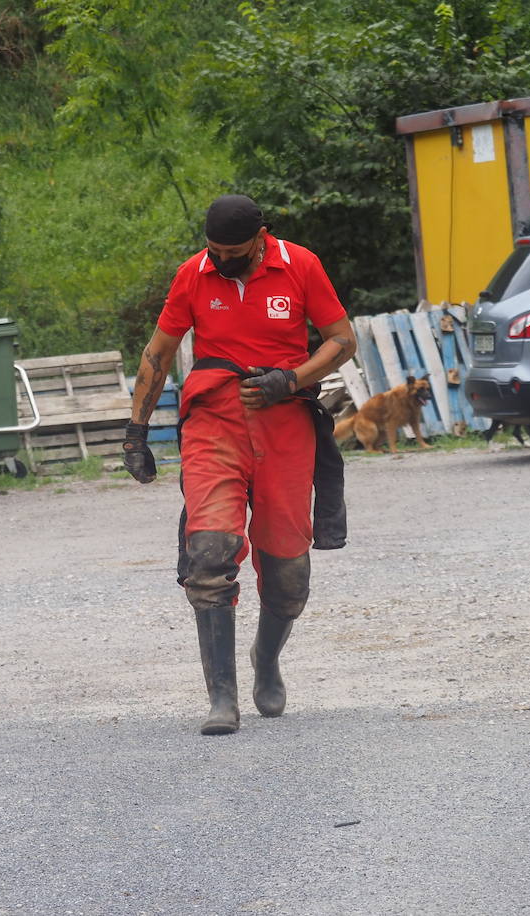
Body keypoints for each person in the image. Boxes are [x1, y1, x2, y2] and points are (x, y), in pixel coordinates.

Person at [124, 194, 356, 736]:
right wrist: (135, 430)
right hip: (214, 425)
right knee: (209, 549)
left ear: (261, 238)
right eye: (213, 249)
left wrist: (290, 379)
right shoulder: (194, 274)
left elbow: (343, 339)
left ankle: (267, 659)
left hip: (285, 428)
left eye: (233, 250)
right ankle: (221, 697)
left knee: (288, 573)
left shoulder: (300, 265)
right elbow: (158, 355)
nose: (220, 259)